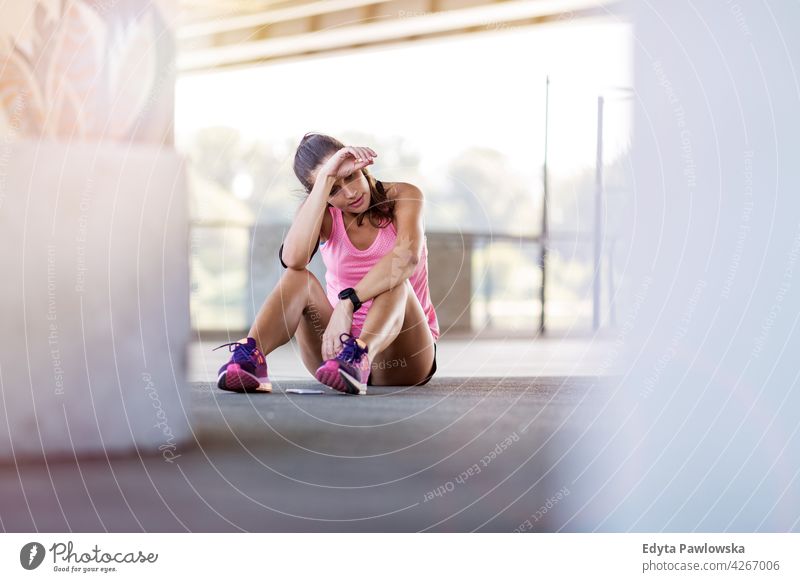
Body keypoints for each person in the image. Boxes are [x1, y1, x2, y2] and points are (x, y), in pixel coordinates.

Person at [214, 132, 440, 395]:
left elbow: (407, 257)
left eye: (351, 176)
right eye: (334, 188)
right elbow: (293, 260)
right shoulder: (321, 213)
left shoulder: (404, 195)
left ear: (360, 165)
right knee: (297, 277)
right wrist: (323, 184)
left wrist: (348, 302)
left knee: (396, 282)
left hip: (404, 356)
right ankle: (252, 358)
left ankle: (360, 356)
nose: (351, 192)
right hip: (335, 356)